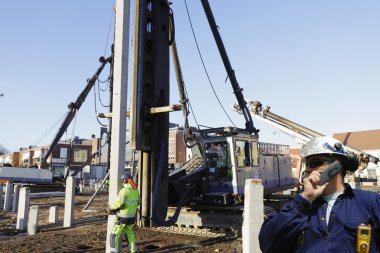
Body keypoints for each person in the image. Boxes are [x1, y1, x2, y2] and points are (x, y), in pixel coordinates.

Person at [259, 136, 380, 253]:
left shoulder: (370, 202)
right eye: (307, 165)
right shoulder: (297, 207)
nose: (307, 170)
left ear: (336, 166)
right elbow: (267, 245)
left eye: (314, 163)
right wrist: (304, 199)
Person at [108, 173, 140, 253]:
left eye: (122, 181)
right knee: (130, 234)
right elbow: (138, 202)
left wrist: (110, 208)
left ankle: (113, 252)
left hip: (122, 218)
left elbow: (119, 203)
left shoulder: (124, 191)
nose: (122, 183)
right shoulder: (136, 191)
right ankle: (133, 251)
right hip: (131, 218)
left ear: (125, 181)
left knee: (114, 235)